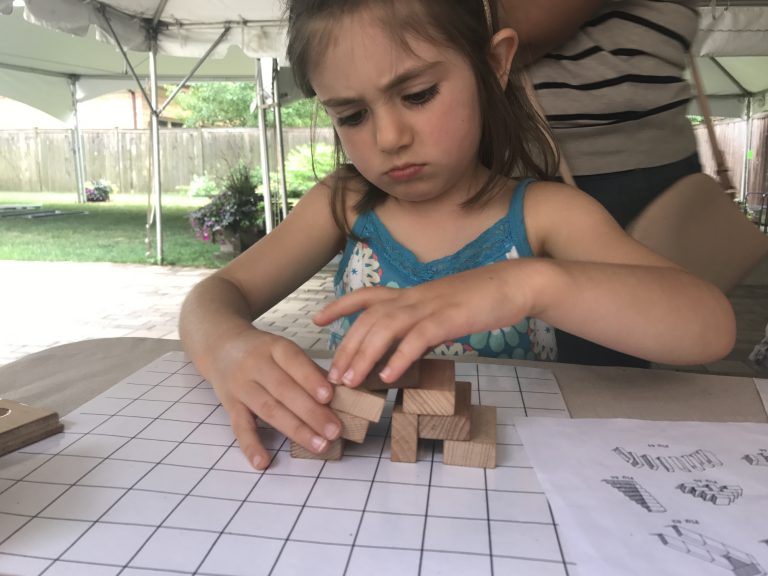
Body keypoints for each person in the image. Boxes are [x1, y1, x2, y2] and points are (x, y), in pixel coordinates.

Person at [179, 0, 735, 469]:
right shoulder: (341, 204)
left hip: (514, 490)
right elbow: (213, 297)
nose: (389, 137)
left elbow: (709, 327)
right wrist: (226, 347)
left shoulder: (546, 215)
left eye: (418, 94)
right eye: (351, 115)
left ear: (494, 65)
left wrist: (530, 284)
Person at [500, 0, 703, 367]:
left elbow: (529, 20)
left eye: (420, 94)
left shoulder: (564, 212)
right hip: (570, 158)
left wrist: (536, 286)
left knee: (607, 369)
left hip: (601, 165)